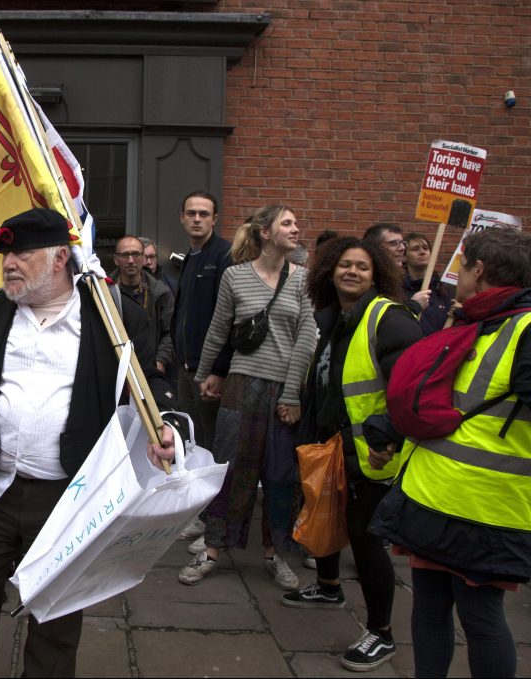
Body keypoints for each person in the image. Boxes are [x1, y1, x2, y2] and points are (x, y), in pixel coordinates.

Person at [0, 207, 177, 678]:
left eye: (22, 253)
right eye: (6, 254)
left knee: (55, 626)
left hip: (67, 498)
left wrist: (164, 426)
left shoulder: (113, 315)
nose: (9, 263)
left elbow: (147, 381)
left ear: (58, 259)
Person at [371, 227, 531, 678]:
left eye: (461, 265)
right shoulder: (479, 321)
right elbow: (446, 397)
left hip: (486, 510)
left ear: (478, 270)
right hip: (434, 495)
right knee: (429, 608)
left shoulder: (520, 328)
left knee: (480, 620)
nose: (453, 274)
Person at [281, 236, 423, 672]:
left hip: (373, 453)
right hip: (333, 443)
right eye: (345, 265)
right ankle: (327, 586)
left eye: (362, 267)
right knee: (325, 511)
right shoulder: (335, 319)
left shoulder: (389, 320)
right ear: (330, 272)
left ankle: (381, 633)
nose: (352, 272)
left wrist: (388, 440)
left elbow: (411, 389)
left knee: (364, 538)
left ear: (377, 274)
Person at [181, 205, 317, 590]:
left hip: (283, 390)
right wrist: (205, 373)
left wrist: (292, 393)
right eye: (287, 222)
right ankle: (211, 550)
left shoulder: (304, 280)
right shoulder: (235, 276)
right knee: (230, 470)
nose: (296, 227)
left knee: (279, 475)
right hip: (240, 386)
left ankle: (275, 555)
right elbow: (218, 328)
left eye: (295, 221)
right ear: (265, 232)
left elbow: (305, 339)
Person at [170, 191, 233, 542]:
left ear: (215, 219)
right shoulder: (191, 257)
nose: (197, 219)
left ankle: (211, 522)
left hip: (206, 371)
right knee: (192, 442)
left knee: (209, 445)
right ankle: (199, 513)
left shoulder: (223, 255)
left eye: (204, 214)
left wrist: (217, 369)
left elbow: (227, 317)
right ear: (181, 218)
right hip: (185, 366)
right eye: (191, 213)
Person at [111, 235, 174, 374]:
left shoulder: (160, 292)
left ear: (143, 258)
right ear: (116, 260)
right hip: (113, 367)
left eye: (136, 254)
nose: (131, 260)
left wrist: (160, 361)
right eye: (125, 255)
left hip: (149, 368)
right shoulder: (105, 292)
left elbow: (170, 332)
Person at [364, 222, 432, 314]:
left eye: (402, 243)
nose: (402, 248)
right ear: (376, 247)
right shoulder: (368, 280)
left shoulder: (393, 281)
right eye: (394, 243)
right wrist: (414, 306)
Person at [402, 231, 455, 335]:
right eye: (415, 249)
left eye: (426, 248)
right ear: (404, 257)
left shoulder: (444, 291)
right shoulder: (398, 290)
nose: (422, 252)